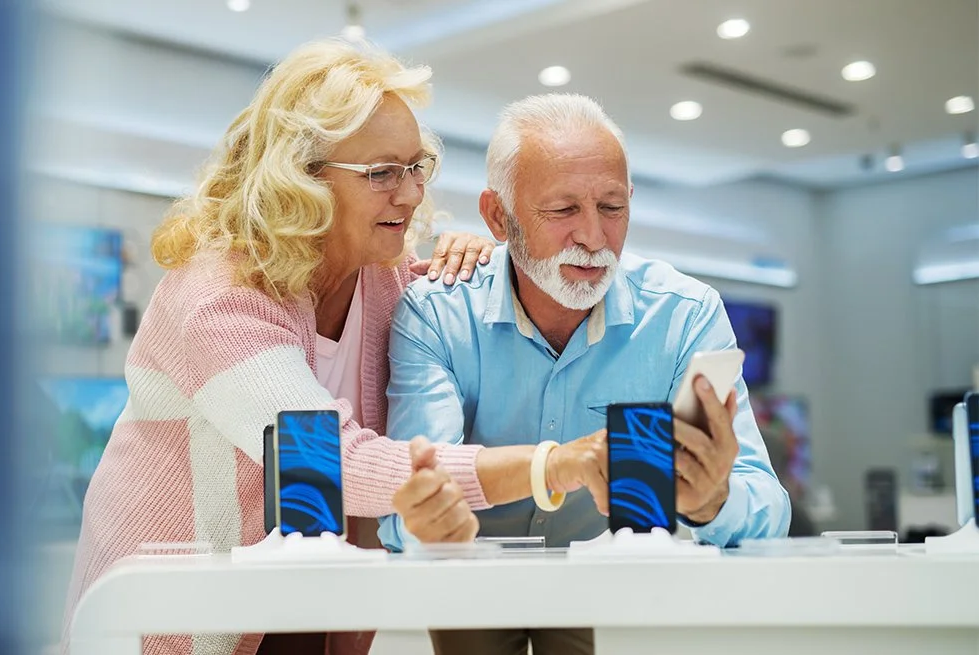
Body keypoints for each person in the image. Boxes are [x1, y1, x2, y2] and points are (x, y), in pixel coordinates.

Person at [58, 39, 494, 655]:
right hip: (175, 617)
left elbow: (479, 298)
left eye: (416, 166)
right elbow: (338, 460)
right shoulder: (218, 291)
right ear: (302, 176)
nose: (412, 192)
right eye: (382, 173)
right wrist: (551, 466)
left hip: (299, 607)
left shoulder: (385, 276)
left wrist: (473, 257)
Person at [379, 93, 792, 655]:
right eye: (564, 210)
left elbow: (768, 505)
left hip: (617, 592)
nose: (594, 237)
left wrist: (713, 500)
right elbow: (408, 502)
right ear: (499, 216)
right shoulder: (435, 311)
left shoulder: (684, 314)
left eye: (612, 207)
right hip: (470, 581)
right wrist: (424, 519)